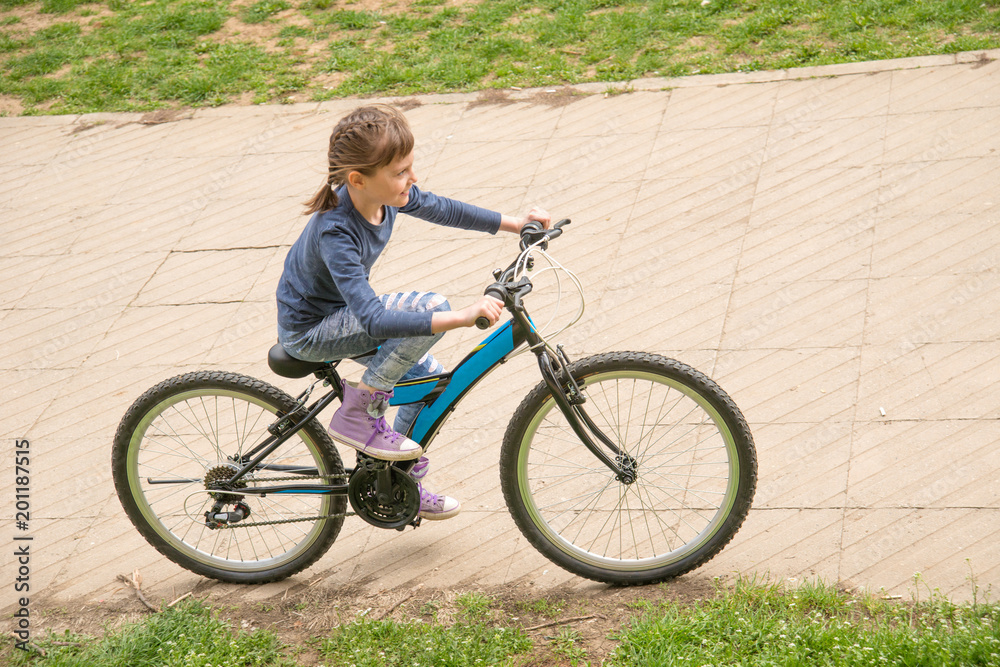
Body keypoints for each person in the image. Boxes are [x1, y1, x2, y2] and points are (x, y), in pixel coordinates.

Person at [276, 104, 549, 521]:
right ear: (358, 180)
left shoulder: (385, 198)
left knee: (427, 383)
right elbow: (372, 320)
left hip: (345, 318)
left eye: (410, 167)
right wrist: (457, 317)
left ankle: (396, 483)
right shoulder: (336, 230)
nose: (413, 179)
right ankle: (359, 412)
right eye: (401, 172)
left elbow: (445, 208)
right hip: (311, 331)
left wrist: (518, 224)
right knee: (432, 307)